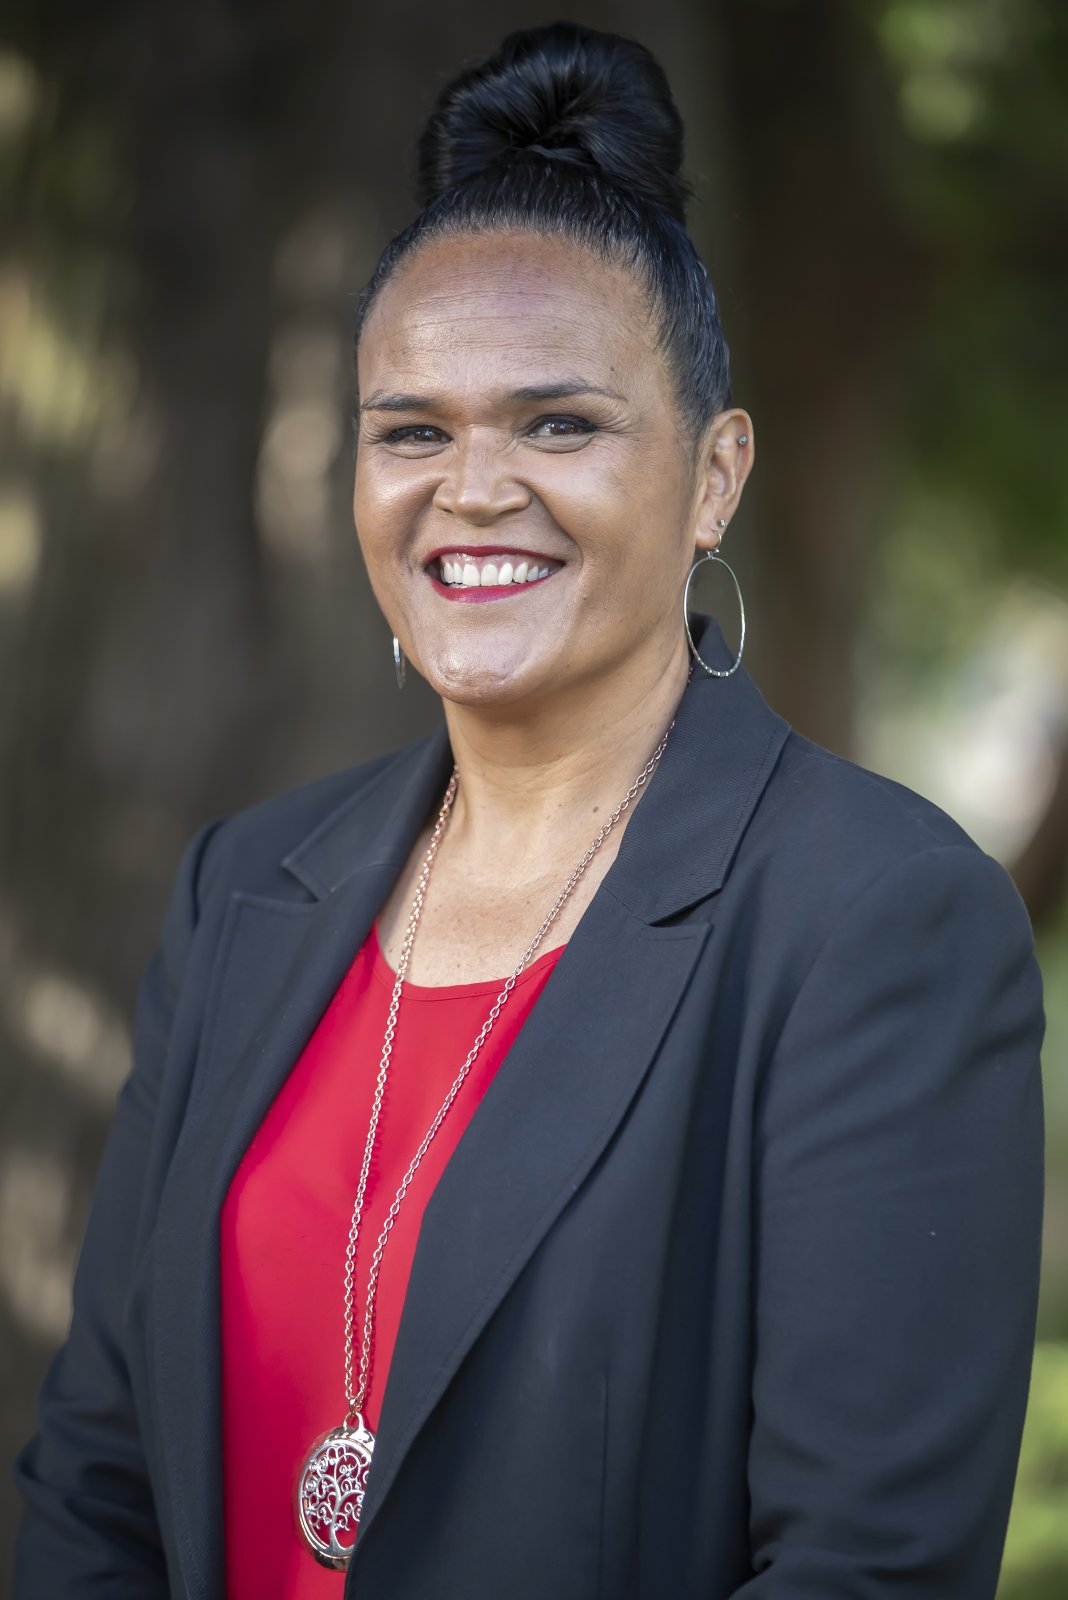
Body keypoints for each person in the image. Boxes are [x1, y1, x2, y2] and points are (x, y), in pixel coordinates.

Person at [12, 21, 1045, 1600]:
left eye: (559, 423)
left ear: (715, 478)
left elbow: (868, 1570)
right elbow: (97, 1481)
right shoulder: (246, 889)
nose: (473, 486)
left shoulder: (874, 916)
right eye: (411, 430)